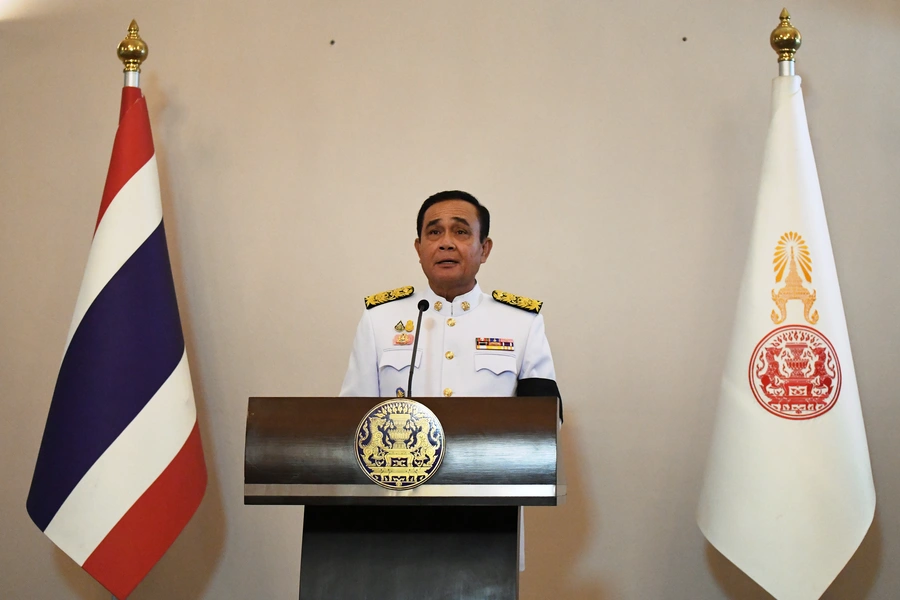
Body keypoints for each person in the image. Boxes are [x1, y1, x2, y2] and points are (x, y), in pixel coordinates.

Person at [340, 190, 561, 413]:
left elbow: (544, 421)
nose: (446, 243)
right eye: (434, 232)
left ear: (484, 249)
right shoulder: (378, 320)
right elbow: (352, 416)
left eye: (461, 232)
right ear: (419, 249)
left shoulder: (522, 322)